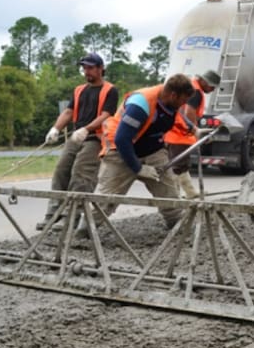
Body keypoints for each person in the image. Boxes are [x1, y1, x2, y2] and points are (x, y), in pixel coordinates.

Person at [75, 74, 195, 236]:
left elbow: (177, 117)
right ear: (174, 95)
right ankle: (84, 231)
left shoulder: (170, 102)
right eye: (183, 100)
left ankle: (177, 226)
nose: (184, 104)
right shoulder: (140, 104)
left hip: (153, 150)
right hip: (120, 150)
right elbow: (122, 139)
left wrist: (195, 130)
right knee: (105, 199)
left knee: (169, 192)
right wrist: (138, 168)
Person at [37, 53, 118, 230]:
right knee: (61, 170)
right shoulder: (80, 90)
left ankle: (71, 216)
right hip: (76, 137)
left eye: (90, 68)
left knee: (81, 173)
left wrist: (86, 129)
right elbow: (68, 112)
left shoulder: (110, 90)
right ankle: (53, 214)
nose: (86, 71)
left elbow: (106, 115)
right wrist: (55, 129)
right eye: (84, 68)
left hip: (95, 138)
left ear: (100, 69)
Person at [163, 70, 221, 199]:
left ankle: (187, 192)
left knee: (179, 165)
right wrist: (195, 132)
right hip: (180, 134)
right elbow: (189, 112)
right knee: (179, 166)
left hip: (174, 133)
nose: (212, 90)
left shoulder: (191, 88)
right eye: (212, 86)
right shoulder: (195, 92)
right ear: (204, 82)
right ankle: (177, 194)